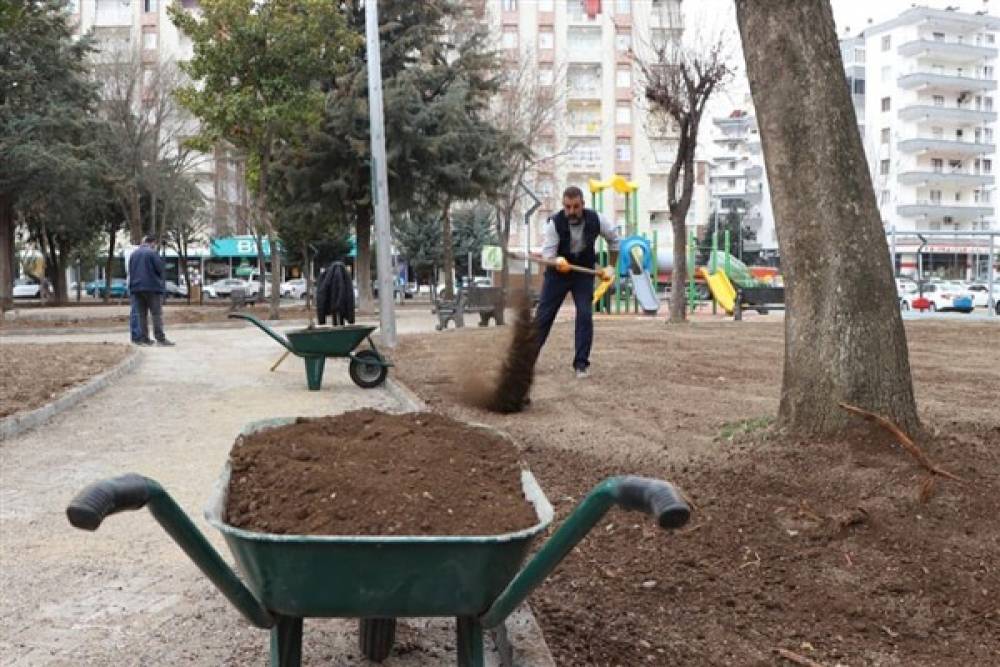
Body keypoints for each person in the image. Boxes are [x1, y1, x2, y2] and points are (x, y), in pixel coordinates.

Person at [534, 186, 619, 379]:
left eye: (575, 207)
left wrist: (611, 267)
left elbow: (615, 242)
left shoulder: (597, 220)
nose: (571, 211)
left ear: (583, 205)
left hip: (583, 273)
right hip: (557, 274)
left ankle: (581, 364)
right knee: (543, 316)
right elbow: (547, 255)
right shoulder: (554, 224)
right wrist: (556, 261)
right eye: (567, 207)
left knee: (584, 314)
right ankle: (527, 359)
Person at [128, 235, 174, 346]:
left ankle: (144, 338)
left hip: (136, 288)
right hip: (152, 288)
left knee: (142, 315)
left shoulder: (134, 254)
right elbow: (159, 269)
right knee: (156, 314)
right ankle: (160, 338)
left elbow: (130, 270)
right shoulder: (152, 253)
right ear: (153, 243)